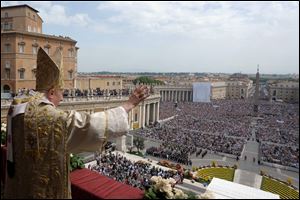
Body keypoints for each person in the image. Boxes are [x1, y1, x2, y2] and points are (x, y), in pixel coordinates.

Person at [3, 47, 150, 199]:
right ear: (52, 92)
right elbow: (88, 125)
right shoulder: (50, 116)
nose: (62, 99)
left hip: (19, 183)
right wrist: (128, 105)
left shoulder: (19, 103)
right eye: (62, 93)